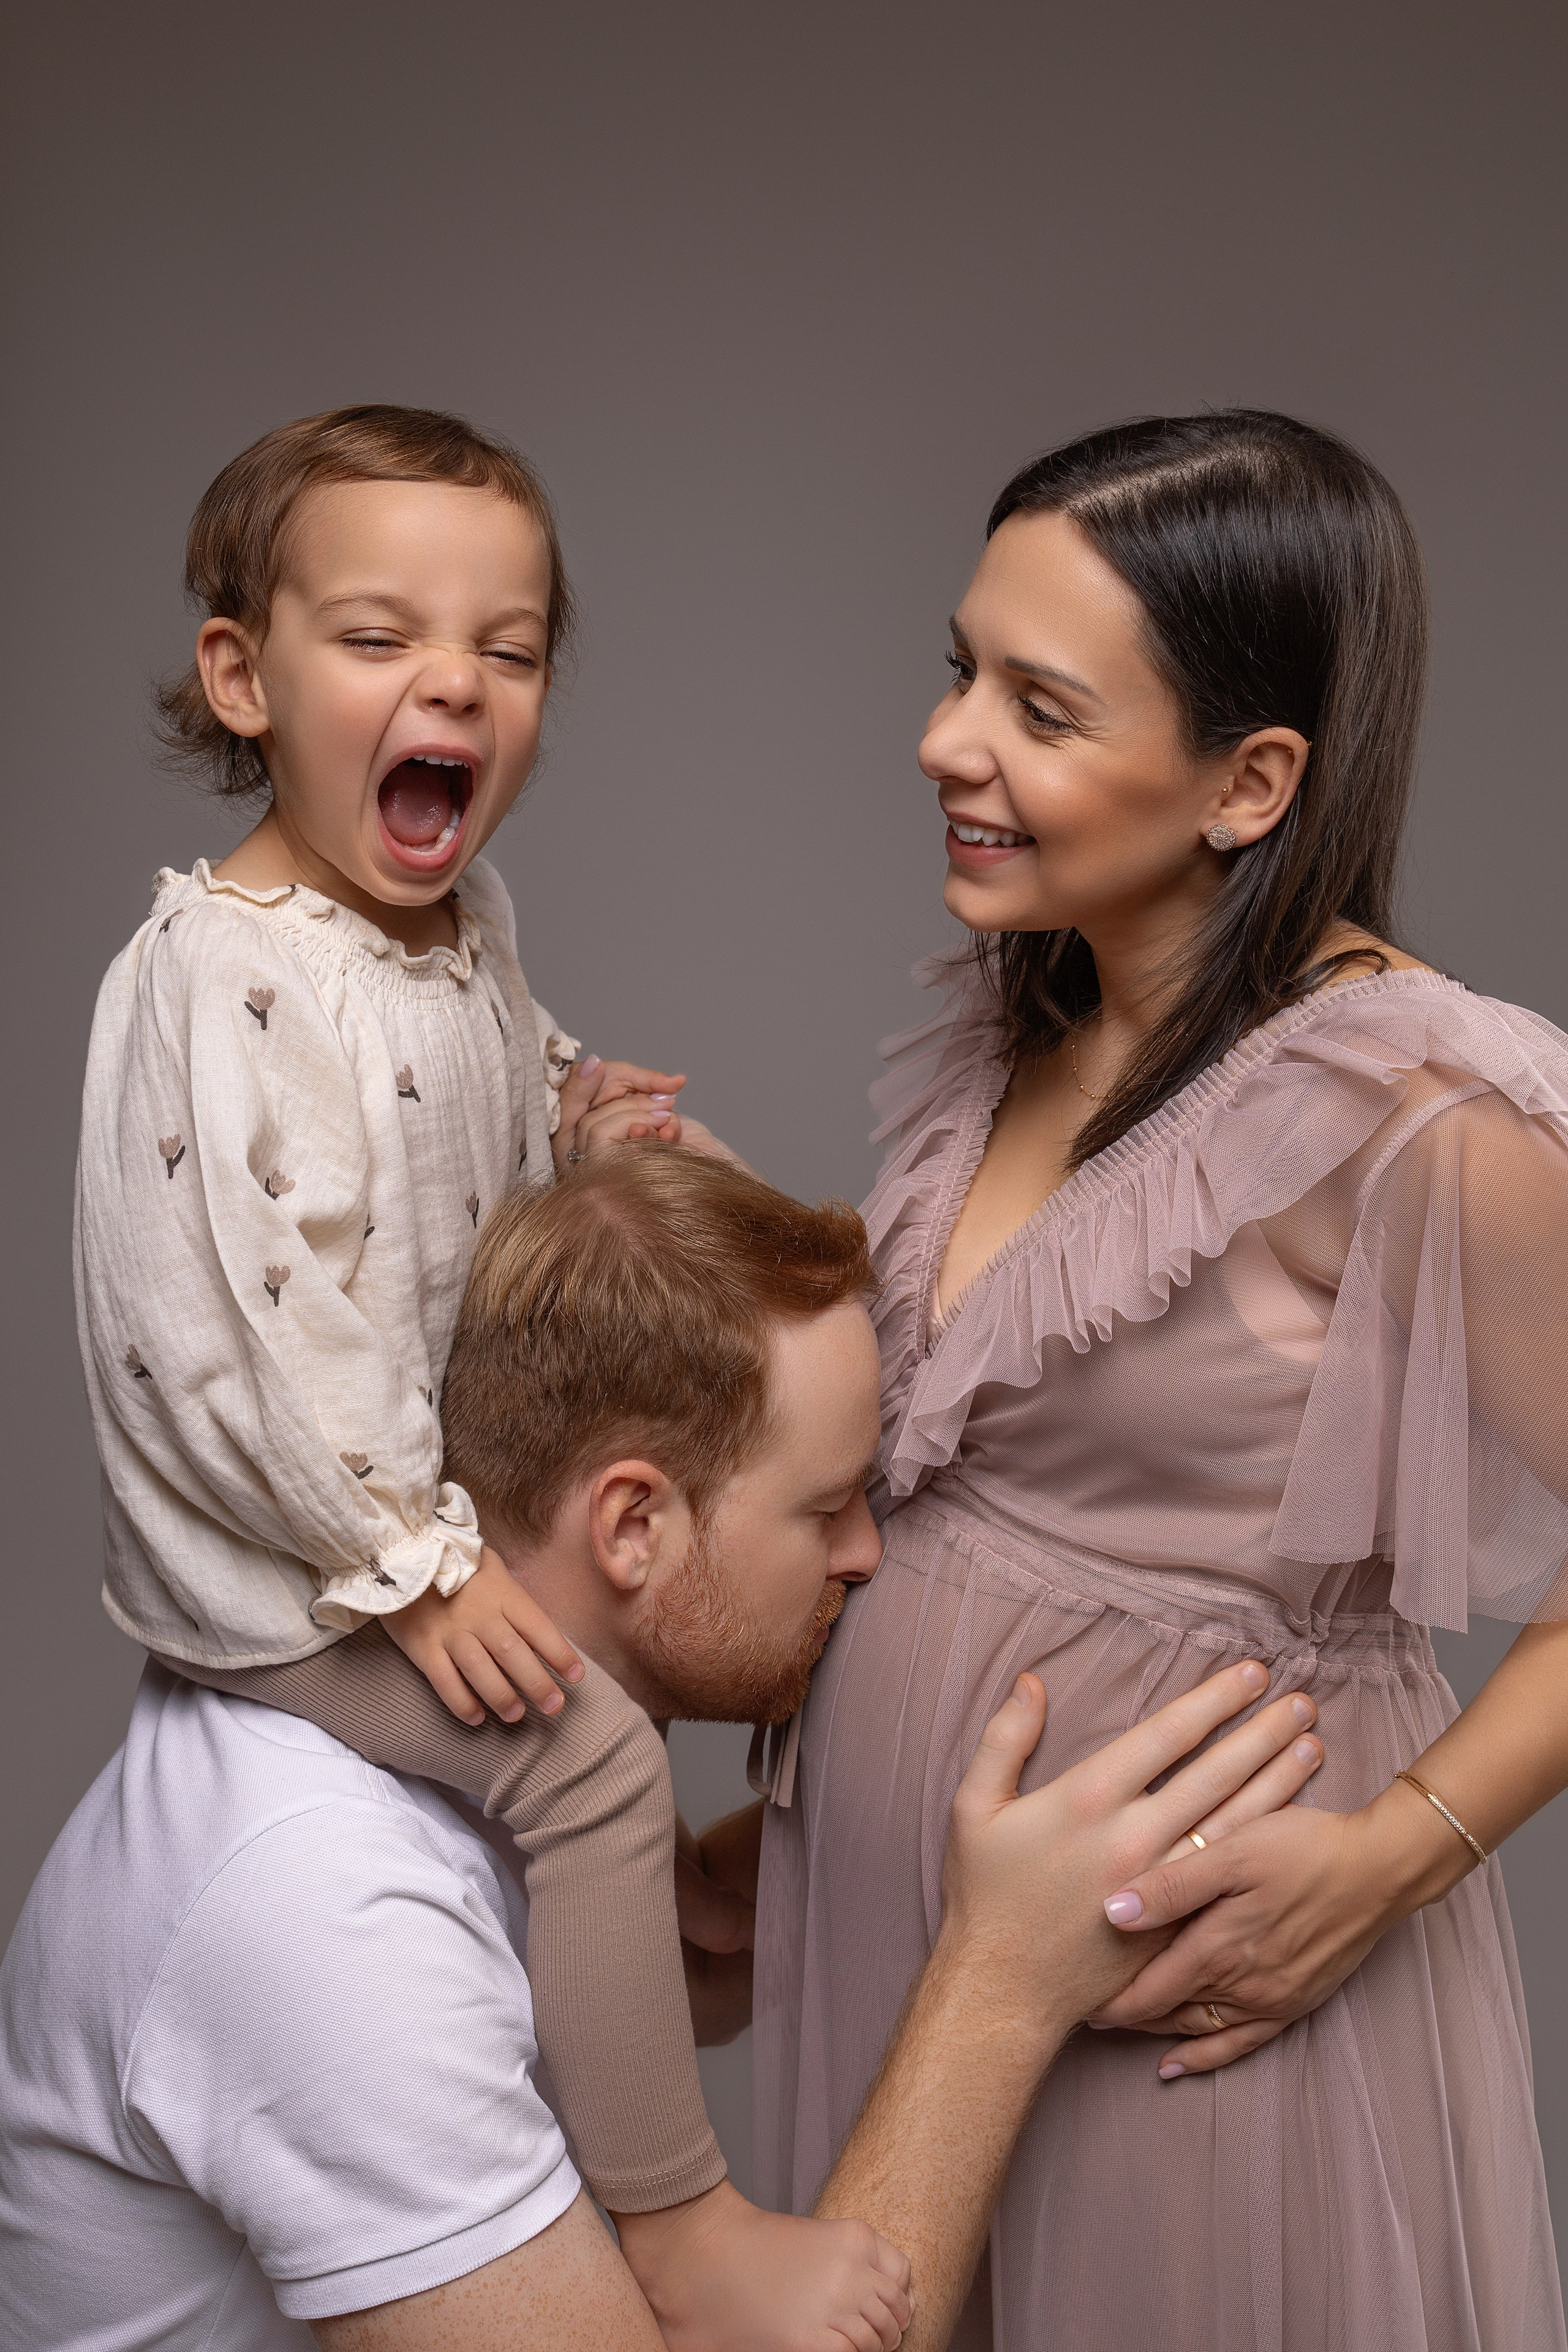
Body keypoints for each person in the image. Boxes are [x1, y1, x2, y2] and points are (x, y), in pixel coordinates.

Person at [1, 1147, 1325, 2350]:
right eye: (825, 1508)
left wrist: (791, 1899)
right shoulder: (325, 1903)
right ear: (630, 1525)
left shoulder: (477, 1784)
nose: (865, 1555)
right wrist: (998, 1990)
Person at [70, 400, 888, 2345]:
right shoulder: (219, 977)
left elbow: (465, 1104)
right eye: (377, 639)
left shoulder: (449, 929)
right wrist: (414, 1566)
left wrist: (574, 1113)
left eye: (507, 653)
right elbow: (245, 1332)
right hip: (287, 1573)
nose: (454, 680)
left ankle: (674, 1951)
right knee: (593, 1758)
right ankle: (681, 2229)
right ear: (240, 678)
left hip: (395, 1526)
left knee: (596, 1756)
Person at [753, 409, 1568, 2350]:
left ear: (1251, 780)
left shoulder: (1420, 1112)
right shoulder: (1011, 1020)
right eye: (962, 670)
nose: (952, 742)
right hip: (921, 1958)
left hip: (1176, 2000)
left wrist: (1386, 1864)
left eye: (1043, 707)